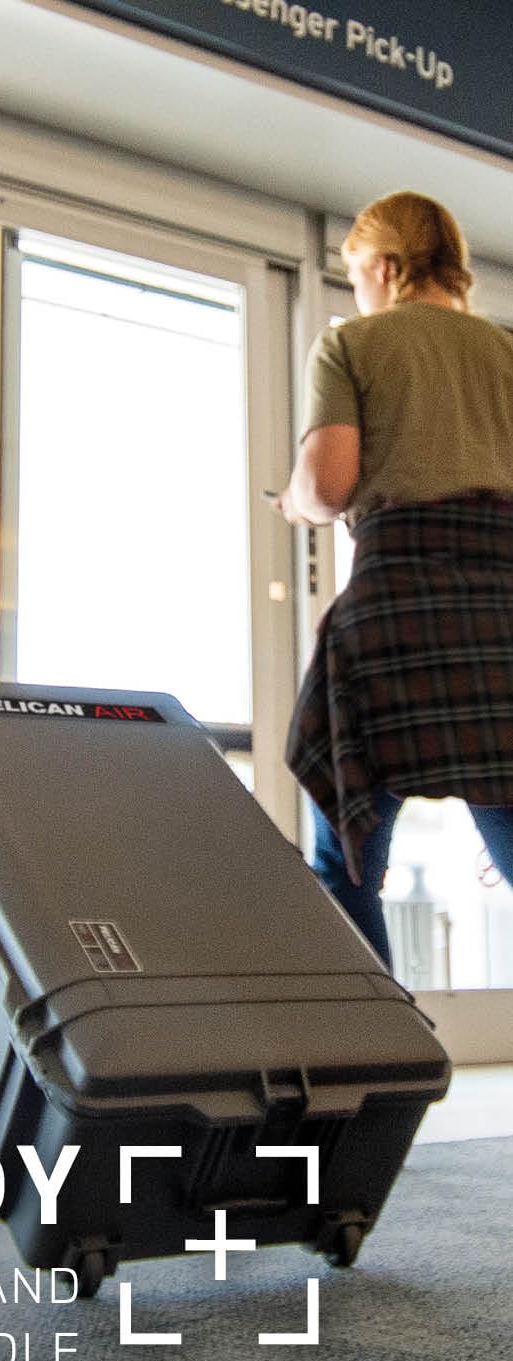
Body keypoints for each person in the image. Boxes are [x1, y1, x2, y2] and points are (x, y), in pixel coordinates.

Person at [274, 190, 513, 967]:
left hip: (400, 613)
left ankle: (382, 1039)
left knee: (346, 865)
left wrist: (294, 502)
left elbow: (329, 485)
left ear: (383, 266)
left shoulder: (352, 343)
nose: (359, 294)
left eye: (356, 277)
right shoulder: (507, 352)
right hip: (504, 616)